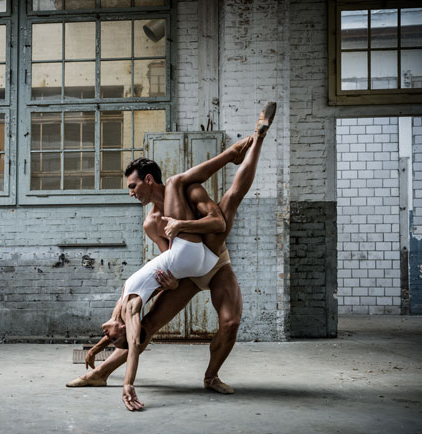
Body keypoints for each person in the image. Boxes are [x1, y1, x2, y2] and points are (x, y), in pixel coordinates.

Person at [67, 102, 276, 411]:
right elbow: (171, 259)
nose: (131, 193)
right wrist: (171, 284)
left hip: (215, 261)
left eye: (133, 186)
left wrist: (181, 224)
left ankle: (211, 376)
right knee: (146, 327)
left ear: (149, 180)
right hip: (187, 273)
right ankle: (99, 374)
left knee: (230, 322)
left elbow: (218, 223)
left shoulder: (190, 192)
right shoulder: (151, 223)